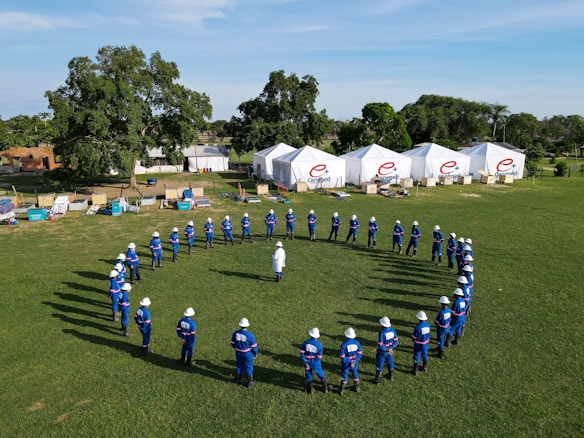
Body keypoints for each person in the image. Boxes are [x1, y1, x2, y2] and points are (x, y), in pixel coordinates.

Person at [299, 327, 329, 394]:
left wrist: (305, 362)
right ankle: (325, 388)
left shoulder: (305, 343)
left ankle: (310, 389)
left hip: (307, 361)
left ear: (310, 335)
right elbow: (319, 356)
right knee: (320, 373)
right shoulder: (319, 345)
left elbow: (302, 352)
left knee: (308, 374)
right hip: (315, 362)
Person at [231, 317, 258, 388]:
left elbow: (232, 343)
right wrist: (255, 353)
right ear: (247, 325)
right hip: (247, 354)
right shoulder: (250, 335)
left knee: (239, 365)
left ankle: (238, 379)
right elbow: (254, 346)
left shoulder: (235, 333)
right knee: (248, 366)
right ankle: (249, 381)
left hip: (238, 352)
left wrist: (235, 347)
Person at [371, 316, 398, 384]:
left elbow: (380, 345)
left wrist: (386, 349)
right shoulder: (393, 330)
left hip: (382, 351)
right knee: (390, 362)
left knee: (380, 364)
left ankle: (377, 380)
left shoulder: (382, 332)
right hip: (390, 351)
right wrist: (391, 348)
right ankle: (391, 375)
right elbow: (396, 341)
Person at [338, 327, 363, 395]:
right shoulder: (357, 343)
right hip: (354, 362)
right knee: (355, 372)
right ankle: (357, 387)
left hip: (346, 363)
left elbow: (342, 356)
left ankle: (341, 389)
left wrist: (349, 361)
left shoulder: (344, 344)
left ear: (346, 335)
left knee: (344, 375)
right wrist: (354, 360)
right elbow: (360, 353)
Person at [411, 311, 431, 375]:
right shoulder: (428, 325)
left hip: (418, 344)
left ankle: (415, 370)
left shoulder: (417, 327)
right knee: (425, 354)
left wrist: (413, 339)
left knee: (417, 356)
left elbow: (414, 337)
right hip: (425, 343)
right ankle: (425, 367)